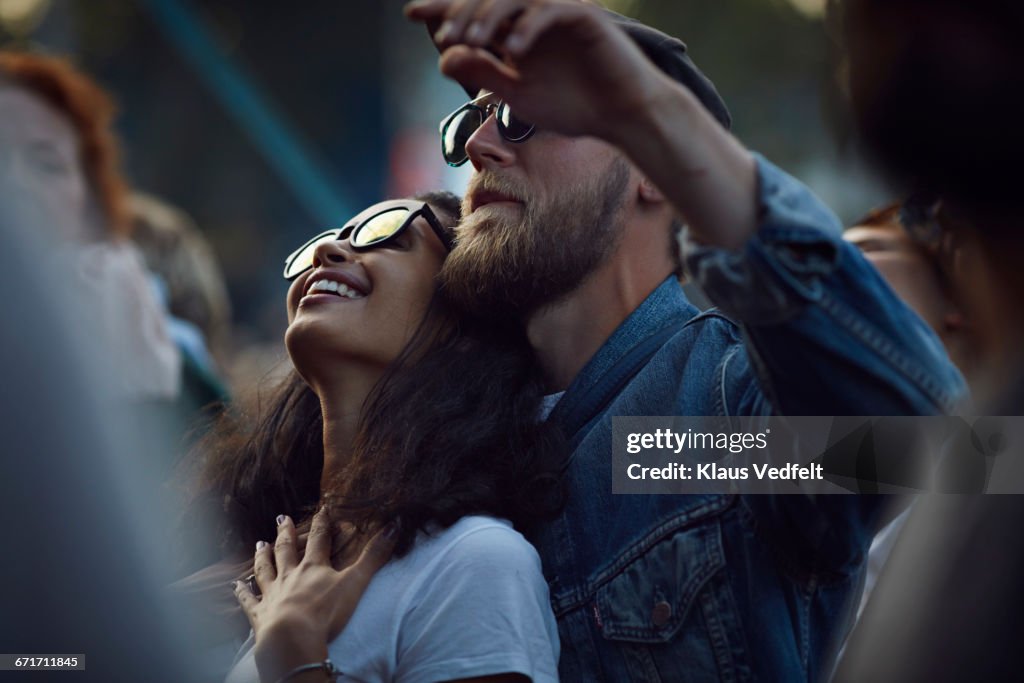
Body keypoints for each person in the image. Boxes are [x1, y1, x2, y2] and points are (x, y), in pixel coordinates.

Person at [403, 1, 966, 680]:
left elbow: (939, 455)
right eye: (472, 120)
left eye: (526, 114)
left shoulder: (703, 428)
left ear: (652, 165)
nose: (478, 146)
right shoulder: (456, 442)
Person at [177, 193, 561, 683]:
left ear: (463, 326)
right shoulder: (260, 560)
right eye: (328, 239)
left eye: (389, 238)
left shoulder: (477, 561)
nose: (327, 252)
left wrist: (297, 662)